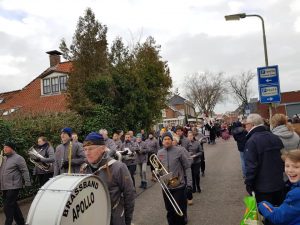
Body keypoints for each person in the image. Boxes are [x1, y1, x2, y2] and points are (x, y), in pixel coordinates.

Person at [81, 132, 135, 225]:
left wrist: (127, 221)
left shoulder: (118, 167)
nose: (87, 153)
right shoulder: (84, 168)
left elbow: (129, 195)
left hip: (114, 219)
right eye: (85, 149)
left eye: (91, 149)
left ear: (102, 149)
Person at [244, 114, 285, 224]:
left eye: (246, 124)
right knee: (278, 214)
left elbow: (251, 166)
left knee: (267, 215)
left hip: (263, 188)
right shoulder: (275, 137)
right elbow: (283, 160)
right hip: (279, 184)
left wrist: (249, 183)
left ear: (251, 124)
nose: (245, 126)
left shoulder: (252, 141)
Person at [157, 132, 192, 225]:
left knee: (179, 211)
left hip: (178, 186)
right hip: (166, 187)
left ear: (172, 140)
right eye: (165, 139)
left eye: (169, 139)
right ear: (162, 141)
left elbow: (187, 167)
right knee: (169, 211)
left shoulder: (179, 151)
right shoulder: (159, 153)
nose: (167, 141)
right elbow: (159, 169)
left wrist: (189, 184)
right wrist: (157, 173)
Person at [258, 149, 300, 225]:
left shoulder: (296, 194)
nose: (290, 170)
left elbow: (277, 218)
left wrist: (262, 205)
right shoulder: (294, 186)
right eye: (287, 166)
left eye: (296, 167)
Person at [0, 140, 31, 225]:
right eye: (4, 147)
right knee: (13, 205)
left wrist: (27, 183)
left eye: (6, 147)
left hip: (14, 186)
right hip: (4, 186)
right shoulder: (4, 159)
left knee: (8, 206)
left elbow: (25, 171)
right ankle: (21, 222)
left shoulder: (18, 158)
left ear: (12, 148)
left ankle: (8, 223)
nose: (4, 149)